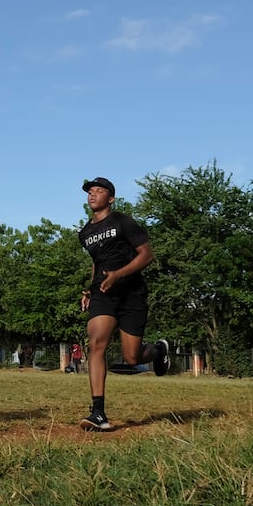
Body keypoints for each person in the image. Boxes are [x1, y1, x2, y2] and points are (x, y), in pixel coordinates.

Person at [75, 177, 170, 431]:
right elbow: (97, 262)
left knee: (131, 357)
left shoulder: (122, 221)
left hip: (132, 293)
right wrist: (91, 288)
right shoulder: (85, 233)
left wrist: (119, 275)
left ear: (111, 198)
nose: (92, 195)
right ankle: (98, 413)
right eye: (90, 191)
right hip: (104, 294)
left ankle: (158, 352)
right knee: (96, 342)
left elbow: (147, 255)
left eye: (99, 191)